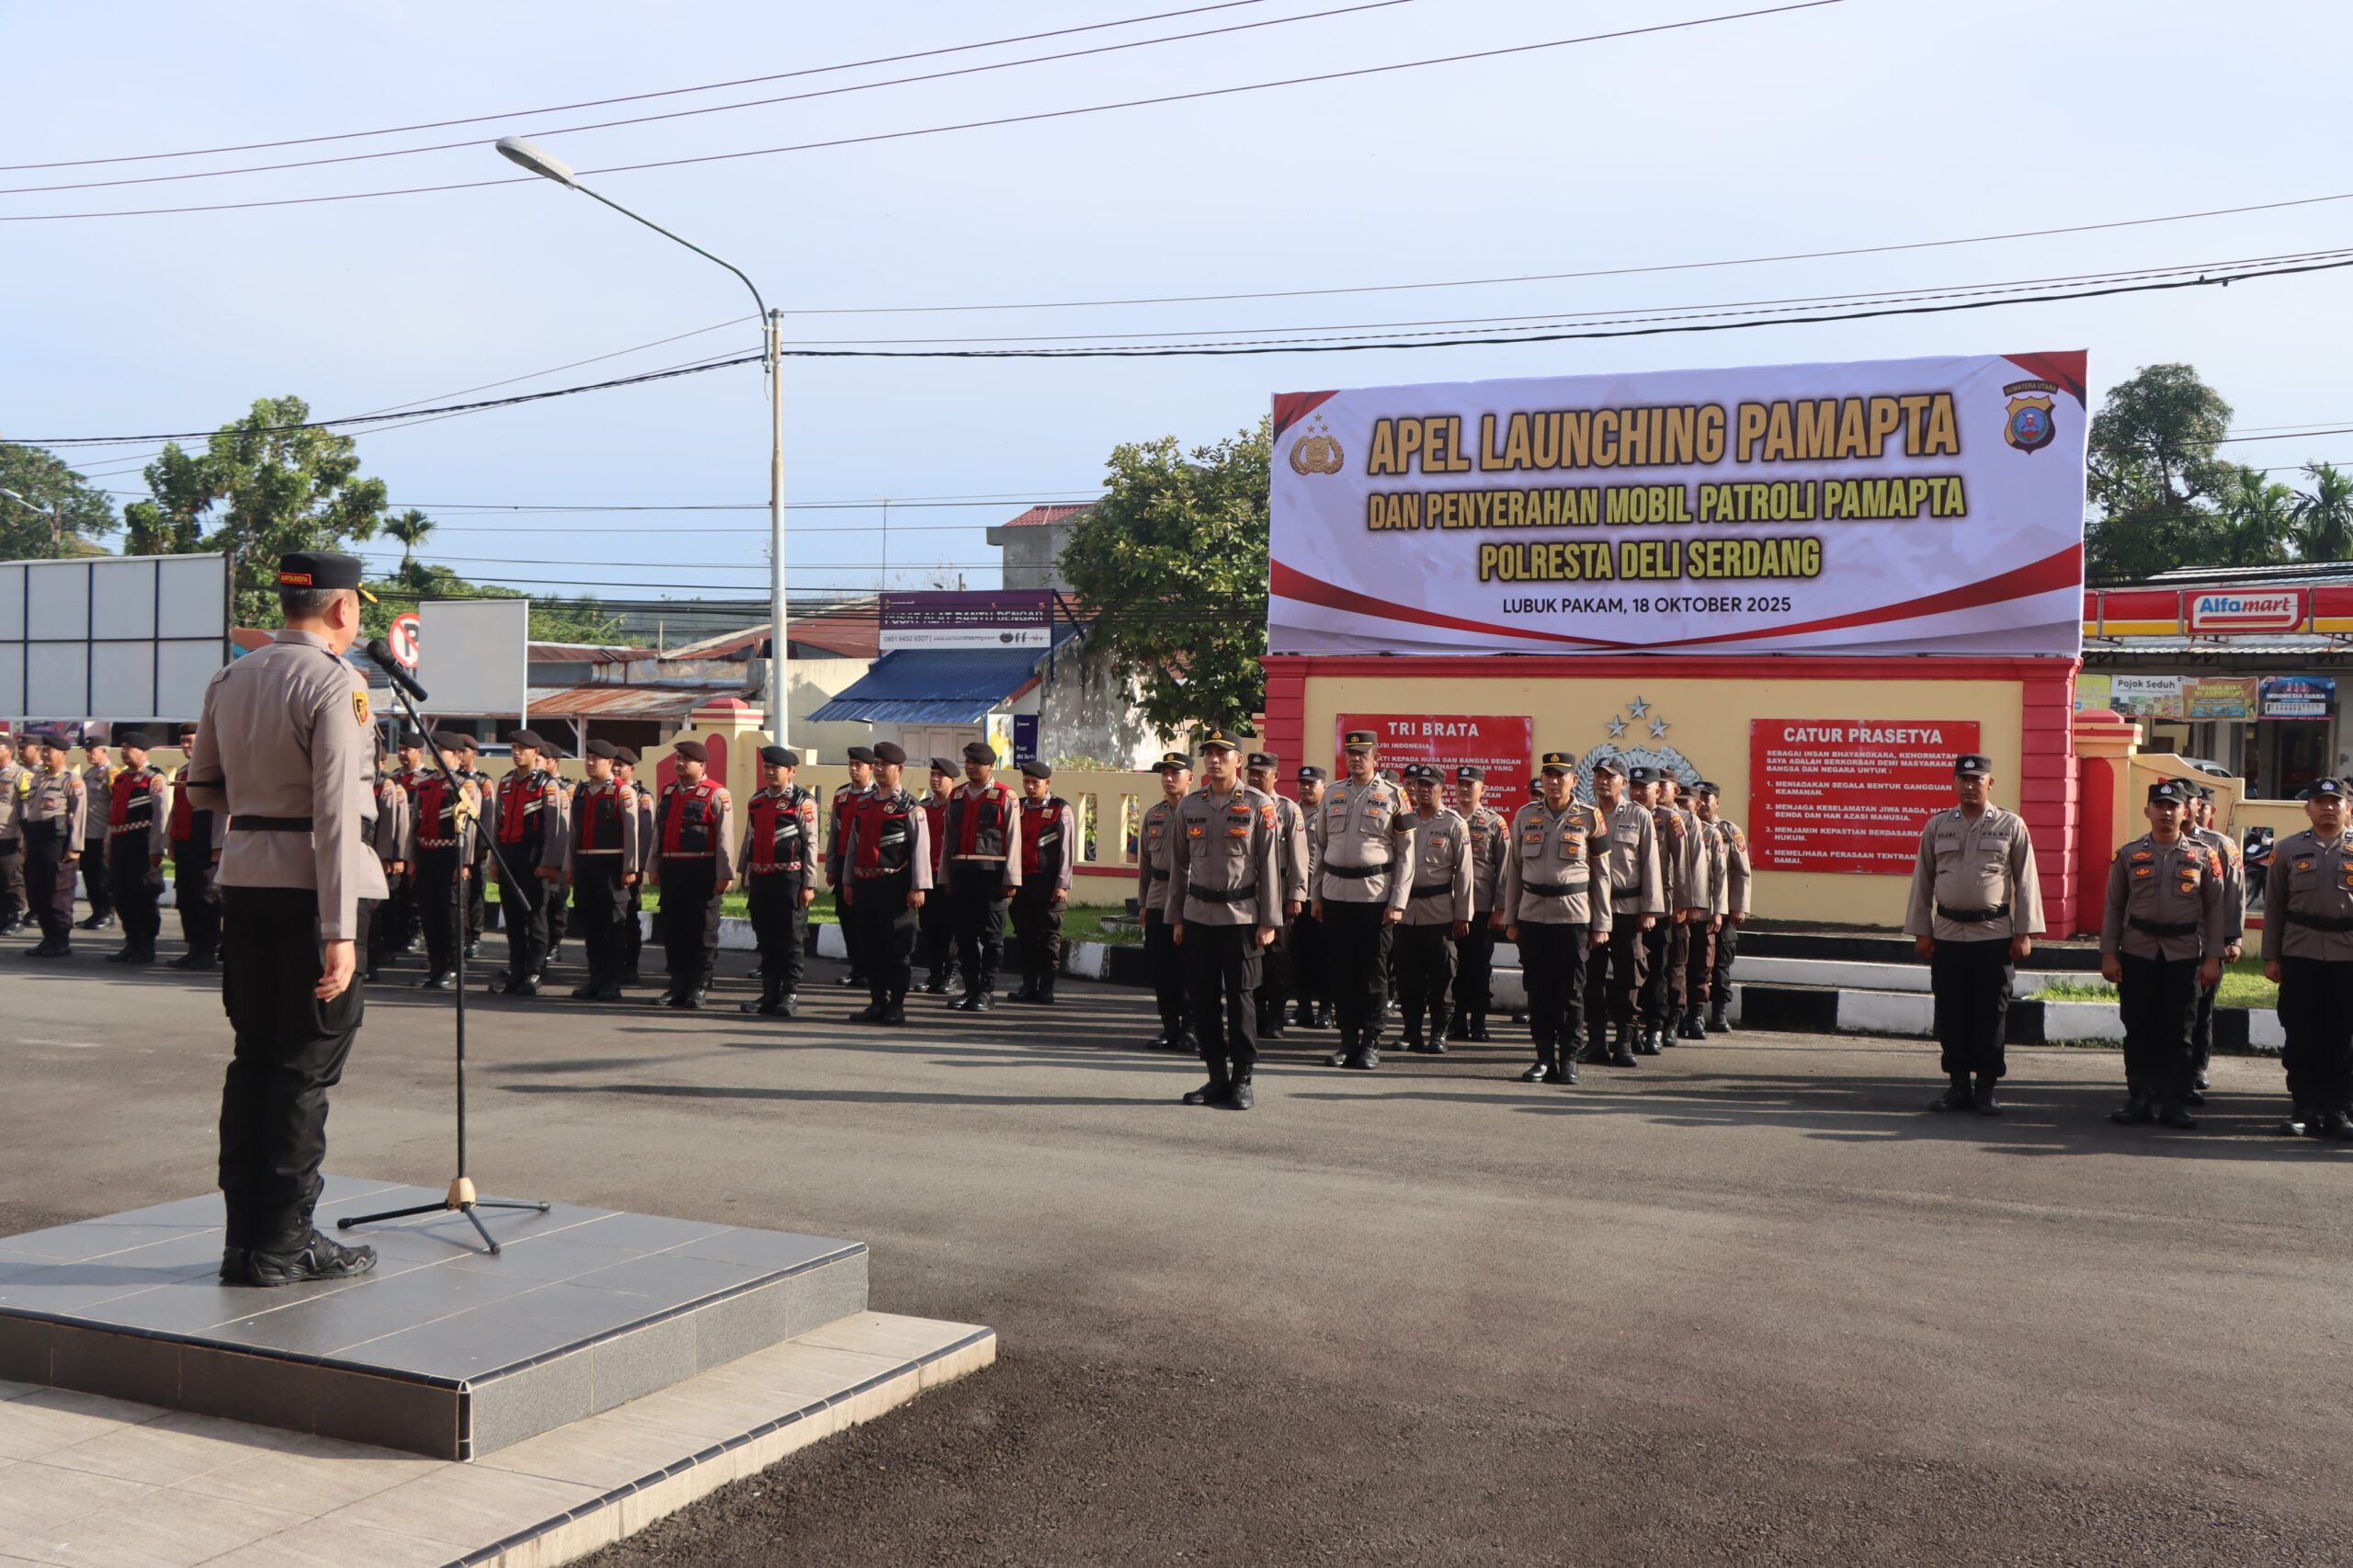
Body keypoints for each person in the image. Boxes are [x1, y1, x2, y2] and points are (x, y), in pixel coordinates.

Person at [184, 551, 385, 1286]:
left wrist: (260, 806)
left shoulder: (231, 676)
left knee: (254, 1060)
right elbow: (335, 811)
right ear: (343, 609)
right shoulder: (338, 682)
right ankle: (283, 1245)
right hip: (313, 889)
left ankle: (244, 1241)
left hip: (246, 880)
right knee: (303, 1071)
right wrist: (340, 931)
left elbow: (202, 787)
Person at [1904, 753, 2045, 1114]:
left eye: (1976, 780)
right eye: (1963, 780)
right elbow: (1923, 880)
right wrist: (1922, 931)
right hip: (1948, 934)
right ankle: (1958, 1086)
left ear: (1989, 783)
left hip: (1993, 935)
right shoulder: (1938, 826)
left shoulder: (2011, 825)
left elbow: (2026, 881)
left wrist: (2024, 932)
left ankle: (1985, 1088)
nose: (1969, 786)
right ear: (1954, 783)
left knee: (1991, 1014)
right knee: (1951, 1012)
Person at [2099, 780, 2228, 1131]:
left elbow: (2216, 910)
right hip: (2138, 951)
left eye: (2174, 806)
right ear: (2148, 811)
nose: (2167, 812)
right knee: (2138, 1028)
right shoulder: (2128, 855)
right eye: (2160, 806)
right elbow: (2114, 906)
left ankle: (2174, 1104)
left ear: (2186, 812)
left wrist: (2213, 958)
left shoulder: (2205, 856)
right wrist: (2109, 953)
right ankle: (2139, 1100)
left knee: (2180, 1030)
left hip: (2184, 954)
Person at [1165, 730, 1279, 1109]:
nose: (1214, 760)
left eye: (1222, 754)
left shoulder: (1259, 804)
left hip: (1241, 917)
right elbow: (1179, 866)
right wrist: (1176, 917)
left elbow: (1268, 866)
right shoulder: (1190, 806)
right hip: (1198, 916)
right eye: (1209, 753)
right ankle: (1216, 1077)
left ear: (1238, 761)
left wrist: (1269, 921)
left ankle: (1243, 1079)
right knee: (1203, 1000)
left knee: (1242, 999)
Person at [1503, 752, 1613, 1085]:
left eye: (1560, 775)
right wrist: (1511, 918)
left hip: (1573, 916)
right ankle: (1543, 1058)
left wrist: (1602, 923)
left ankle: (1568, 1059)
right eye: (1548, 775)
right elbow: (1514, 870)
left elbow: (1602, 874)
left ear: (1573, 780)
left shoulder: (1590, 817)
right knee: (1538, 990)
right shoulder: (1525, 815)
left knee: (1571, 991)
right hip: (1533, 915)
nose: (1553, 781)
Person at [2259, 777, 2353, 1139]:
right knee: (2301, 1034)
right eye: (2320, 801)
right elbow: (2274, 907)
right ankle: (2304, 1108)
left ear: (2348, 807)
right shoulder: (2287, 850)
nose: (2328, 807)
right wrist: (2271, 956)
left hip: (2347, 955)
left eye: (2335, 801)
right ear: (2307, 808)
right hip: (2300, 952)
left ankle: (2338, 1110)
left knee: (2343, 1036)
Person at [1313, 730, 1413, 1071]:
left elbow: (1406, 853)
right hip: (1335, 894)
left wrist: (1397, 901)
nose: (1356, 759)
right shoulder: (1332, 793)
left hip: (1375, 897)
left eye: (1362, 753)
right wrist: (1316, 895)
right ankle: (1347, 1041)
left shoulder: (1395, 795)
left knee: (1373, 972)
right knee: (1341, 971)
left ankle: (1371, 1041)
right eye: (1351, 753)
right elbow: (1321, 847)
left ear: (1376, 758)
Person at [840, 741, 931, 1024]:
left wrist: (918, 886)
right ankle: (877, 1001)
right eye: (877, 765)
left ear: (899, 769)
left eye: (885, 765)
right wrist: (848, 881)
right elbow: (853, 847)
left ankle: (897, 1005)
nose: (879, 770)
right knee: (869, 946)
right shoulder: (864, 804)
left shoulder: (910, 807)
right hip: (865, 884)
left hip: (895, 886)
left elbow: (920, 849)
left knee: (897, 948)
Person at [1582, 758, 1661, 1066]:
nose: (1603, 781)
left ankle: (1624, 1042)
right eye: (1599, 776)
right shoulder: (1585, 815)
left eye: (1610, 777)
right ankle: (1596, 1042)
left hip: (1627, 908)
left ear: (1624, 783)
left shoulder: (1639, 815)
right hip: (1591, 909)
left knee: (1629, 976)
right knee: (1591, 976)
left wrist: (1650, 908)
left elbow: (1650, 863)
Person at [647, 738, 735, 1009]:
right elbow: (658, 832)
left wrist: (725, 874)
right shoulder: (669, 791)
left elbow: (724, 838)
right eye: (678, 758)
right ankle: (677, 985)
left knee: (702, 931)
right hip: (672, 870)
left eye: (686, 759)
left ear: (702, 765)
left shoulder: (717, 794)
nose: (680, 763)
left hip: (702, 871)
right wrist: (653, 866)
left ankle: (698, 986)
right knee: (673, 929)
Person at [1392, 764, 1472, 1052]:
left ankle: (1439, 1033)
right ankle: (1411, 1031)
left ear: (1442, 789)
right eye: (1420, 785)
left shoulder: (1453, 823)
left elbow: (1465, 873)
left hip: (1439, 911)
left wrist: (1462, 914)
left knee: (1442, 976)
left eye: (1430, 785)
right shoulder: (1404, 820)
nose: (1424, 790)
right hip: (1406, 911)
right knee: (1407, 975)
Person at [737, 744, 817, 1016]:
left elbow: (811, 842)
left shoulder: (802, 801)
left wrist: (809, 883)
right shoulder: (757, 800)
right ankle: (769, 993)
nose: (770, 772)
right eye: (767, 767)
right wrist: (745, 872)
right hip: (761, 877)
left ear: (791, 771)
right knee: (766, 936)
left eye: (776, 768)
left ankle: (789, 994)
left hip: (789, 878)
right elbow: (749, 838)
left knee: (791, 937)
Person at [942, 741, 1019, 1011]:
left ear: (991, 766)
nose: (971, 767)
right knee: (963, 935)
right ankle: (970, 988)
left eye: (977, 763)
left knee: (991, 937)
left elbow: (1014, 839)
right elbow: (947, 838)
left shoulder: (1005, 795)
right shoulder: (957, 795)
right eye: (968, 762)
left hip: (992, 877)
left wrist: (1011, 879)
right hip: (961, 875)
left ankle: (987, 991)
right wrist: (945, 876)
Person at [563, 739, 642, 1002]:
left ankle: (611, 982)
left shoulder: (622, 791)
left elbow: (631, 831)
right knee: (592, 926)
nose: (590, 763)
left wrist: (630, 867)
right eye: (588, 758)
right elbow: (573, 832)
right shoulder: (581, 791)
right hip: (585, 865)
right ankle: (595, 979)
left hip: (612, 865)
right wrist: (570, 866)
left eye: (595, 759)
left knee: (613, 927)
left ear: (609, 763)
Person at [488, 730, 564, 996]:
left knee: (535, 917)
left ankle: (535, 972)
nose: (516, 752)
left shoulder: (548, 785)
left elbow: (554, 829)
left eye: (522, 748)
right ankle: (516, 971)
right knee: (513, 918)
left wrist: (549, 863)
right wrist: (495, 860)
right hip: (508, 856)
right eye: (513, 747)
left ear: (536, 752)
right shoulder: (506, 782)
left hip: (533, 857)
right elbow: (497, 824)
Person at [1636, 770, 1707, 1055]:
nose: (1640, 792)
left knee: (1670, 967)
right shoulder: (1631, 815)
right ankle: (1640, 1023)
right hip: (1636, 904)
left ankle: (1669, 1021)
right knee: (1640, 967)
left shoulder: (1679, 819)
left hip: (1668, 905)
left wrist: (1686, 903)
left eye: (1661, 786)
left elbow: (1689, 865)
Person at [409, 732, 481, 991]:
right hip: (426, 854)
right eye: (435, 750)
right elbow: (414, 823)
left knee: (451, 913)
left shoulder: (465, 785)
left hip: (450, 855)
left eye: (443, 751)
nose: (437, 756)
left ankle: (452, 966)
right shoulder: (425, 784)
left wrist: (464, 862)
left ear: (458, 756)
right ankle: (435, 965)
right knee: (429, 912)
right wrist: (411, 857)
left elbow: (470, 827)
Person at [1244, 751, 1309, 1039]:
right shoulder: (1241, 805)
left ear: (1276, 776)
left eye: (1262, 773)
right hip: (1248, 895)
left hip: (1280, 894)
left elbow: (1299, 857)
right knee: (1251, 956)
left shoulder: (1288, 810)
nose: (1256, 778)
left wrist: (1297, 895)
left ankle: (1276, 1017)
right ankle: (1256, 1013)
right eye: (1252, 773)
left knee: (1278, 958)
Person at [2186, 787, 2244, 1104]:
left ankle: (2197, 1067)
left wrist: (2231, 939)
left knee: (2203, 1006)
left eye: (2199, 804)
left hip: (2208, 940)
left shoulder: (2219, 844)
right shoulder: (2153, 841)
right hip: (2171, 941)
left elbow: (2233, 893)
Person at [1138, 751, 1196, 1052]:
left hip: (1189, 896)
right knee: (1161, 967)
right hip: (1159, 895)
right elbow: (1145, 863)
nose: (1169, 778)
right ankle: (1170, 1027)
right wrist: (1143, 902)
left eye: (1175, 773)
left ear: (1190, 778)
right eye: (1165, 773)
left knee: (1189, 967)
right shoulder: (1154, 815)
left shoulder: (1199, 811)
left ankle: (1191, 1028)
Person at [1447, 766, 1507, 1042]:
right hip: (1448, 906)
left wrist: (1501, 908)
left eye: (1470, 784)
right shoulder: (1447, 818)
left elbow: (1504, 869)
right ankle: (1456, 1020)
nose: (1464, 788)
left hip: (1481, 907)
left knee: (1479, 967)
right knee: (1453, 966)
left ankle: (1479, 1022)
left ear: (1482, 789)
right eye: (1460, 783)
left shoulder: (1494, 823)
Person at [1007, 760, 1076, 1003]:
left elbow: (1067, 850)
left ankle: (1047, 988)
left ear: (1047, 783)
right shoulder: (1018, 807)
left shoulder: (1060, 809)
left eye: (1035, 782)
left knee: (1049, 938)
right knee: (1025, 937)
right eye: (1026, 781)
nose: (1029, 786)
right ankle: (1028, 985)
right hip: (1022, 882)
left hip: (1048, 884)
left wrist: (1062, 884)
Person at [99, 732, 169, 966]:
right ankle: (131, 941)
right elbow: (113, 815)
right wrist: (109, 845)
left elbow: (160, 815)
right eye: (122, 748)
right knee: (122, 895)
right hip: (121, 843)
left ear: (143, 752)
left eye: (129, 748)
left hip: (141, 843)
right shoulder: (120, 778)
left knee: (143, 896)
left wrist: (156, 848)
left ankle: (146, 946)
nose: (123, 752)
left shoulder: (154, 778)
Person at [18, 734, 87, 959]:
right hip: (35, 839)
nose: (46, 754)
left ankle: (60, 940)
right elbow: (30, 812)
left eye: (50, 751)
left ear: (63, 754)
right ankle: (47, 938)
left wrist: (76, 846)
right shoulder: (38, 778)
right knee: (38, 891)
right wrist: (25, 842)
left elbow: (79, 814)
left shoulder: (71, 780)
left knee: (58, 892)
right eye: (44, 750)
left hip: (56, 842)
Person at [1694, 781, 1749, 1032]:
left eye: (1707, 798)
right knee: (1696, 962)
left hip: (1723, 909)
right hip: (1696, 907)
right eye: (1699, 798)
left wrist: (1739, 906)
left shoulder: (1730, 831)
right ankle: (1694, 1013)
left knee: (1721, 964)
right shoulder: (1688, 827)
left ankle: (1719, 1012)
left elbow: (1742, 872)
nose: (1702, 802)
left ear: (1717, 802)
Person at [166, 724, 222, 970]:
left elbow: (222, 810)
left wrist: (219, 845)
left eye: (191, 740)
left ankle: (207, 950)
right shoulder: (183, 772)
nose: (187, 745)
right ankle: (193, 947)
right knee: (186, 896)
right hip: (184, 840)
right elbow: (175, 810)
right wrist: (170, 842)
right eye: (183, 741)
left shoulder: (215, 770)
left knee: (205, 897)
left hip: (205, 841)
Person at [826, 745, 879, 991]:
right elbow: (834, 833)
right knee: (847, 918)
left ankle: (870, 969)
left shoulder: (878, 795)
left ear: (871, 768)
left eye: (859, 765)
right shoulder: (841, 795)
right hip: (842, 862)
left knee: (867, 919)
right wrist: (830, 867)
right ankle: (856, 968)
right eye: (851, 764)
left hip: (867, 864)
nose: (853, 769)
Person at [1675, 780, 1723, 1040]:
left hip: (1703, 913)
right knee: (1676, 966)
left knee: (1701, 966)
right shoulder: (1667, 828)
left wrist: (1718, 911)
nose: (1682, 807)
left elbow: (1720, 876)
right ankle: (1676, 1015)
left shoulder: (1711, 834)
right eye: (1678, 802)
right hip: (1676, 913)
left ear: (1695, 805)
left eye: (1686, 803)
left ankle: (1695, 1015)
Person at [364, 739, 411, 983]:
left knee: (379, 912)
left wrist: (389, 857)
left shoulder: (387, 785)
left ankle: (377, 957)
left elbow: (392, 826)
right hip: (360, 853)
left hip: (376, 856)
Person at [1289, 765, 1329, 1030]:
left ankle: (1326, 1009)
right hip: (1296, 895)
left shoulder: (1330, 813)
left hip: (1321, 894)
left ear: (1323, 786)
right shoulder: (1291, 811)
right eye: (1302, 783)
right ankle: (1303, 1007)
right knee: (1298, 955)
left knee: (1325, 956)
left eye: (1311, 783)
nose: (1305, 787)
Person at [450, 733, 494, 960]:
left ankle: (475, 937)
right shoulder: (452, 778)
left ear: (474, 753)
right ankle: (461, 936)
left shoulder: (482, 781)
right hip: (456, 846)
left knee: (475, 893)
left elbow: (487, 815)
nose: (461, 755)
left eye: (464, 751)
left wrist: (483, 846)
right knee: (458, 896)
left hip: (476, 848)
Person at [918, 758, 957, 994]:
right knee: (929, 927)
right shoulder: (923, 807)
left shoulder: (957, 807)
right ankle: (934, 974)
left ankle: (950, 975)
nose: (935, 779)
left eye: (940, 776)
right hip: (926, 875)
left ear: (952, 780)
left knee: (950, 928)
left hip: (949, 876)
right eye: (932, 774)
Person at [387, 731, 426, 955]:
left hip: (416, 843)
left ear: (419, 752)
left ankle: (416, 932)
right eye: (400, 749)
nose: (402, 753)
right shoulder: (393, 778)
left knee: (415, 893)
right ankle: (397, 935)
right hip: (394, 843)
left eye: (407, 749)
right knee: (395, 893)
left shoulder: (426, 779)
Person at [615, 747, 651, 984]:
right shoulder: (607, 791)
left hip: (630, 866)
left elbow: (644, 835)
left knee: (628, 918)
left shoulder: (641, 796)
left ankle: (631, 965)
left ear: (632, 769)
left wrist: (637, 868)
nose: (616, 769)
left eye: (621, 765)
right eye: (613, 764)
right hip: (609, 864)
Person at [540, 743, 574, 965]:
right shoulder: (534, 785)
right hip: (538, 852)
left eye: (543, 759)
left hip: (560, 852)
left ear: (554, 762)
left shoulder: (567, 787)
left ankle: (555, 944)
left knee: (557, 900)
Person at [76, 741, 116, 932]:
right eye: (86, 751)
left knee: (102, 877)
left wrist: (110, 832)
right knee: (89, 874)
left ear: (103, 751)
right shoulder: (88, 773)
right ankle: (96, 911)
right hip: (87, 833)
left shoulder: (112, 774)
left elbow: (116, 804)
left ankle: (107, 913)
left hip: (102, 833)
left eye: (91, 751)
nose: (88, 754)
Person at [0, 735, 25, 936]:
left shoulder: (21, 774)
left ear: (9, 750)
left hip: (10, 834)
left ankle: (16, 915)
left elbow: (26, 807)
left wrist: (22, 834)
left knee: (12, 878)